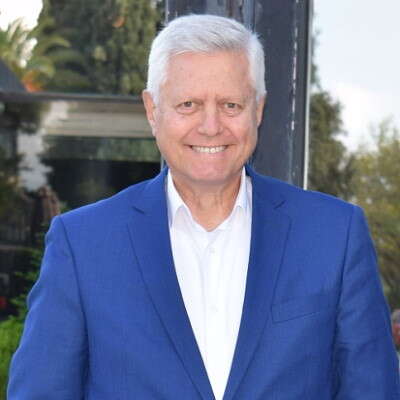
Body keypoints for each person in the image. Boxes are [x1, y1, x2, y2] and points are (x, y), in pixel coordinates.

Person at [7, 14, 400, 400]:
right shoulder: (82, 244)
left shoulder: (334, 235)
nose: (210, 126)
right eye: (188, 104)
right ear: (152, 110)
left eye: (230, 105)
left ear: (258, 110)